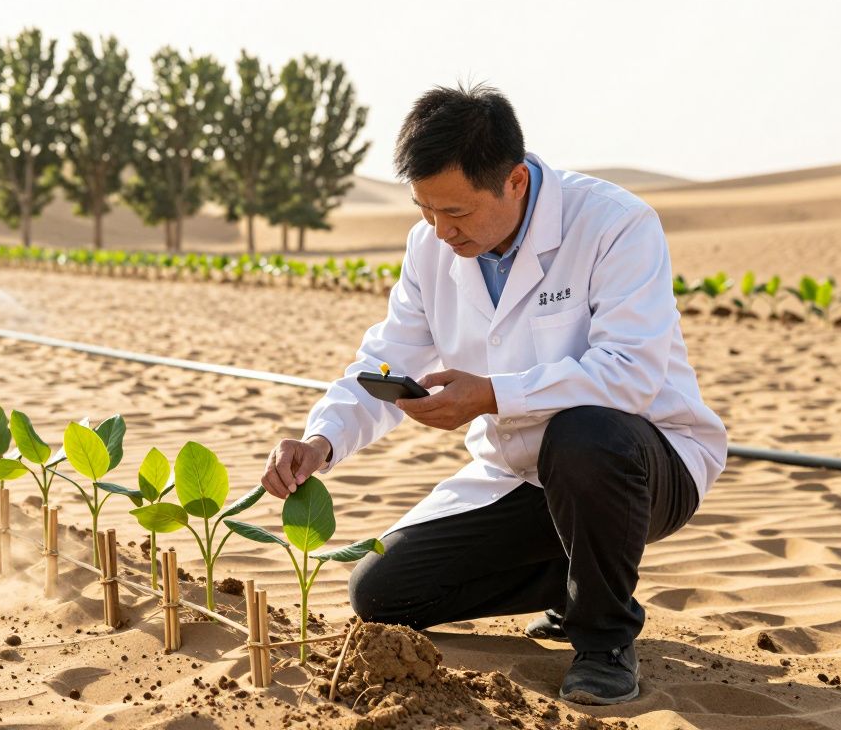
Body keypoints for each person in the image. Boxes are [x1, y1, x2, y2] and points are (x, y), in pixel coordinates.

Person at [258, 84, 727, 706]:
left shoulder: (615, 224)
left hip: (646, 460)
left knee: (585, 433)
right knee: (383, 594)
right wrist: (323, 438)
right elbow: (387, 359)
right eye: (425, 210)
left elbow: (630, 374)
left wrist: (490, 396)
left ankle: (603, 638)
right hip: (521, 476)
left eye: (456, 212)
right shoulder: (430, 246)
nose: (440, 230)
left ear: (514, 182)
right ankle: (577, 579)